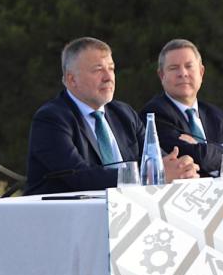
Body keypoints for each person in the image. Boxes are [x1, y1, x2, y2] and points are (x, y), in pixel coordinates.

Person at [24, 37, 199, 195]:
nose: (109, 77)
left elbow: (158, 160)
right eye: (98, 70)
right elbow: (80, 178)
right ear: (72, 80)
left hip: (128, 213)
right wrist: (151, 175)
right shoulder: (51, 119)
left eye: (111, 69)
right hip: (68, 221)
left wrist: (181, 168)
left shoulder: (124, 114)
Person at [141, 39, 223, 177]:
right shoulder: (154, 114)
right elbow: (193, 157)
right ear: (161, 75)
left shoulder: (214, 114)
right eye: (173, 68)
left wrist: (201, 147)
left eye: (189, 66)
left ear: (201, 72)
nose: (183, 73)